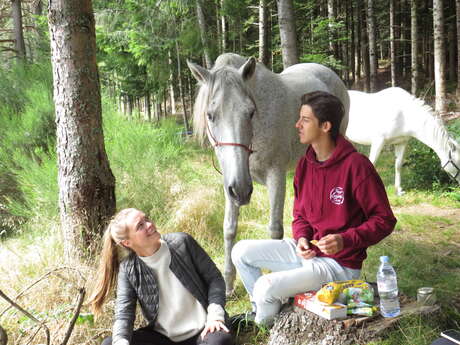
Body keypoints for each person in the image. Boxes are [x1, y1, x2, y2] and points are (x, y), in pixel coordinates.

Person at [231, 91, 397, 326]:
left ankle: (263, 326)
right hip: (308, 253)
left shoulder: (356, 166)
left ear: (326, 126)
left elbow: (384, 219)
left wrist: (345, 240)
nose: (297, 125)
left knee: (265, 286)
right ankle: (264, 309)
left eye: (305, 120)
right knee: (240, 252)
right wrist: (301, 238)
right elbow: (299, 215)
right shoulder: (304, 165)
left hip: (339, 265)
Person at [87, 208, 234, 345]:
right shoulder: (128, 269)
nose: (150, 224)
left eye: (147, 219)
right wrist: (121, 341)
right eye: (140, 226)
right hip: (165, 339)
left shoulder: (182, 242)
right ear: (127, 242)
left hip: (204, 330)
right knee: (110, 343)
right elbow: (124, 314)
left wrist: (215, 315)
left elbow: (214, 278)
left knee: (219, 341)